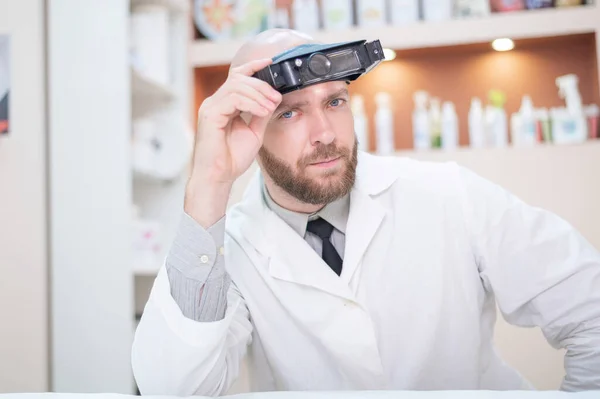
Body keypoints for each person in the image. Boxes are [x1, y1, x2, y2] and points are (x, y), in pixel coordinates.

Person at [131, 29, 600, 396]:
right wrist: (209, 184)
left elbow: (590, 307)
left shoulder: (449, 194)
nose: (325, 132)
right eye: (289, 113)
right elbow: (176, 390)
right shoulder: (226, 251)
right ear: (244, 128)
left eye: (335, 102)